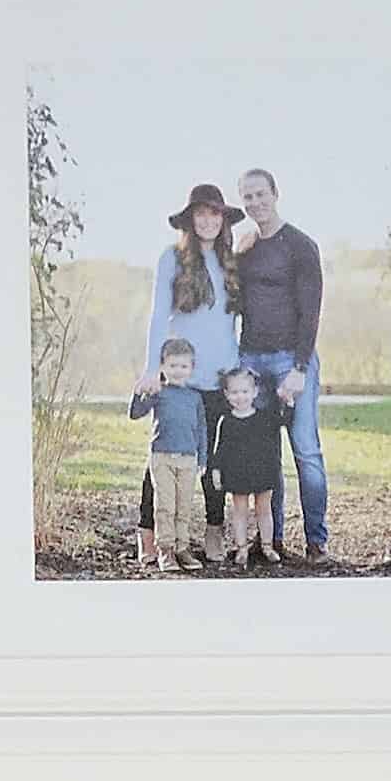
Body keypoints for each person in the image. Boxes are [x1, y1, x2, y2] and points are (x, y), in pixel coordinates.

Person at [134, 184, 242, 571]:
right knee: (163, 458)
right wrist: (152, 369)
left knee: (210, 460)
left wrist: (239, 369)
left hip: (221, 377)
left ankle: (214, 531)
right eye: (201, 214)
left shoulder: (232, 262)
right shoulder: (172, 258)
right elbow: (158, 314)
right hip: (181, 379)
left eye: (216, 214)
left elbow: (234, 322)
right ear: (191, 220)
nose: (209, 221)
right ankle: (148, 537)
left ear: (224, 219)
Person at [230, 166, 327, 564]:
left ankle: (317, 542)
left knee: (305, 451)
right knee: (267, 456)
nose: (255, 202)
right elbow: (232, 300)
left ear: (275, 193)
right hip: (251, 359)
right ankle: (274, 540)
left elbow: (311, 312)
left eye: (260, 194)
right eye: (247, 197)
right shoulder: (248, 249)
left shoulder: (301, 245)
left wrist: (299, 368)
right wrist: (235, 257)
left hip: (291, 359)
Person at [128, 338, 210, 574]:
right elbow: (135, 413)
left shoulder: (194, 397)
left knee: (184, 506)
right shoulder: (159, 392)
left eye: (183, 366)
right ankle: (165, 550)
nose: (178, 371)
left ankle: (182, 547)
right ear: (163, 366)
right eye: (173, 365)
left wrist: (202, 459)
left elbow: (202, 430)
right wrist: (139, 390)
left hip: (188, 459)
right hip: (161, 457)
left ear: (191, 368)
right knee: (165, 506)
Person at [211, 362, 285, 567]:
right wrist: (216, 470)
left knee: (264, 509)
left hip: (263, 470)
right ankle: (242, 548)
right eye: (234, 392)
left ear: (254, 392)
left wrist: (288, 402)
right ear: (226, 394)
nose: (240, 396)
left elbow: (285, 421)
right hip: (237, 472)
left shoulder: (264, 417)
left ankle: (267, 546)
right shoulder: (226, 420)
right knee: (240, 510)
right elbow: (221, 448)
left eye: (244, 391)